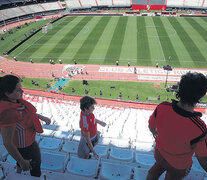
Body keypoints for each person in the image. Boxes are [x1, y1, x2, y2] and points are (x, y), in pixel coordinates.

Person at [147, 72, 207, 180]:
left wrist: (154, 132)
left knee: (153, 173)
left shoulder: (162, 107)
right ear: (200, 97)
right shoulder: (200, 128)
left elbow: (151, 126)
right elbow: (203, 158)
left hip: (160, 155)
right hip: (179, 166)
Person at [0, 75, 51, 177]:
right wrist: (23, 162)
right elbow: (7, 143)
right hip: (25, 147)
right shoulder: (8, 113)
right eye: (18, 90)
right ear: (7, 93)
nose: (22, 92)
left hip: (28, 142)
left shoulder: (14, 101)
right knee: (35, 168)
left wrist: (41, 117)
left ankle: (18, 172)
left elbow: (25, 113)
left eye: (21, 88)